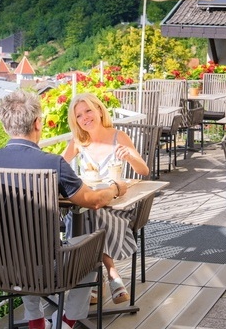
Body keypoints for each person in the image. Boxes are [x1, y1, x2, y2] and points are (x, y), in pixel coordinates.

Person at [0, 90, 127, 329]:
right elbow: (94, 200)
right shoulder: (51, 163)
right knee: (93, 245)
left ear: (6, 127)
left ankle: (36, 319)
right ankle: (67, 320)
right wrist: (116, 188)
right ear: (38, 123)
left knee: (20, 243)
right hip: (44, 268)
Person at [63, 93, 149, 305]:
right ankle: (111, 275)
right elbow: (60, 168)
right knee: (87, 213)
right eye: (79, 115)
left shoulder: (118, 137)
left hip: (119, 207)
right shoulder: (78, 142)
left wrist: (129, 157)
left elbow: (144, 170)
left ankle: (97, 280)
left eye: (88, 111)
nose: (85, 117)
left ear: (100, 110)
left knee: (88, 216)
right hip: (93, 205)